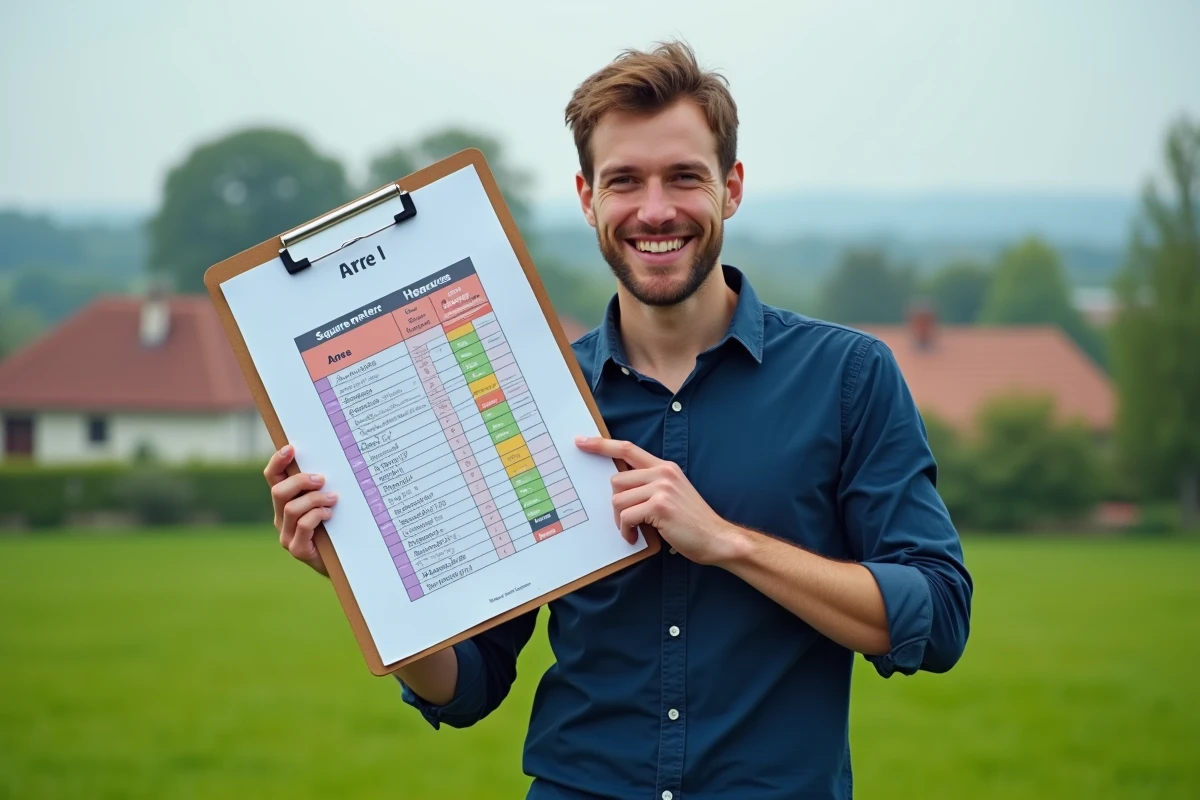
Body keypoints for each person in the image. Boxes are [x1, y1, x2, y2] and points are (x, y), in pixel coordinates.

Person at [264, 40, 972, 800]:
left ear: (731, 188)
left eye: (685, 178)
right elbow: (467, 686)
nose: (656, 210)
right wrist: (369, 588)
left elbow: (934, 618)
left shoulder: (848, 377)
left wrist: (726, 542)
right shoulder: (527, 395)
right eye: (625, 181)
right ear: (587, 196)